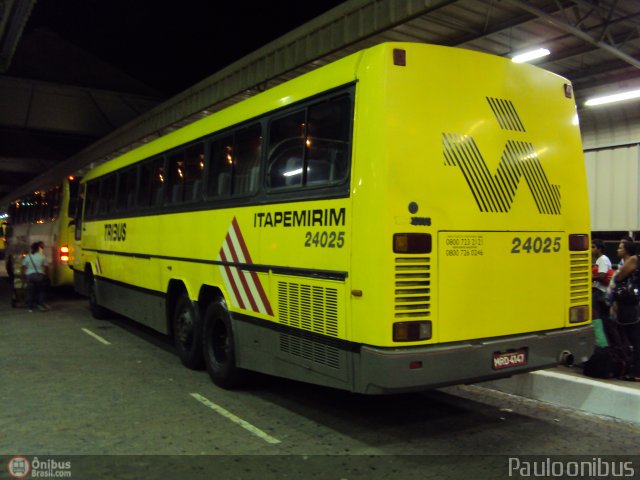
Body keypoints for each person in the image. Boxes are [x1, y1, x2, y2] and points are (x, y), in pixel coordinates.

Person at [610, 240, 640, 381]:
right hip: (625, 303)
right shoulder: (627, 262)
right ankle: (629, 367)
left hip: (630, 305)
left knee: (634, 337)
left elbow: (618, 278)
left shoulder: (634, 259)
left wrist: (615, 279)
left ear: (627, 250)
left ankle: (636, 371)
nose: (617, 250)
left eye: (620, 247)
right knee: (628, 337)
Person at [23, 241, 50, 312]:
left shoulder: (28, 257)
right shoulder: (42, 256)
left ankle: (30, 308)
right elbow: (46, 267)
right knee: (41, 291)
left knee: (30, 292)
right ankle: (40, 304)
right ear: (38, 248)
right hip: (40, 275)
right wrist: (46, 275)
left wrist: (25, 274)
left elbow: (24, 266)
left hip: (29, 275)